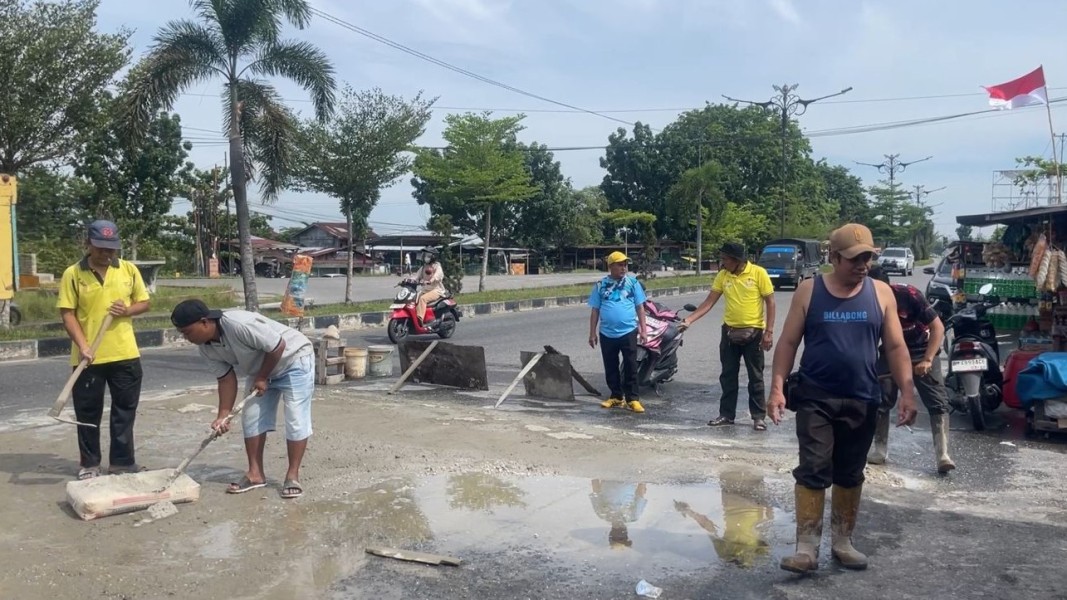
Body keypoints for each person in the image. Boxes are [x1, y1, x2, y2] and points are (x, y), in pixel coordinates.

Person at [767, 223, 918, 573]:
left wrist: (908, 392)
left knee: (850, 472)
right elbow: (788, 342)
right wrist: (776, 388)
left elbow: (896, 347)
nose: (863, 265)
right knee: (813, 467)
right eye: (854, 259)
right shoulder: (809, 290)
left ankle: (843, 542)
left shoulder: (881, 293)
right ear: (833, 257)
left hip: (863, 398)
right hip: (816, 397)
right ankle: (806, 548)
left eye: (867, 258)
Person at [171, 299, 314, 499]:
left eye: (187, 332)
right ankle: (255, 474)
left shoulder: (238, 324)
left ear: (204, 322)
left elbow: (277, 346)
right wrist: (223, 416)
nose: (186, 338)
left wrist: (262, 377)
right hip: (260, 370)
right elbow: (225, 379)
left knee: (296, 418)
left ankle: (292, 476)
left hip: (293, 359)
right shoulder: (206, 348)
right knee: (251, 418)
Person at [57, 220, 151, 480]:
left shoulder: (128, 269)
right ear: (88, 244)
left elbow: (144, 303)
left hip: (125, 354)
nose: (106, 253)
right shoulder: (73, 274)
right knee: (87, 414)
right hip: (88, 358)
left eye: (111, 248)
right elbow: (67, 314)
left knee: (124, 412)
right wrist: (83, 346)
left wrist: (127, 310)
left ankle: (122, 462)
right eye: (100, 248)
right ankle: (90, 464)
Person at [866, 264, 956, 474]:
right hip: (890, 353)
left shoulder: (909, 295)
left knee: (937, 402)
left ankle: (942, 454)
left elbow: (937, 328)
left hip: (922, 349)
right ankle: (879, 449)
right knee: (880, 400)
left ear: (888, 287)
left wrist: (928, 360)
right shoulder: (864, 301)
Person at [681, 242, 775, 431]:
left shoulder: (758, 273)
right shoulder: (723, 276)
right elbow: (709, 302)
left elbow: (770, 302)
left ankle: (758, 417)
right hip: (729, 332)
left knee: (755, 377)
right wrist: (689, 320)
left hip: (754, 333)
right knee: (728, 375)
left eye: (725, 259)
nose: (722, 263)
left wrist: (769, 332)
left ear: (737, 260)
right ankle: (726, 415)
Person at [674, 468, 773, 567]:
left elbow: (768, 522)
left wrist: (768, 504)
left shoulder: (755, 556)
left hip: (746, 501)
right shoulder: (725, 554)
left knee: (746, 468)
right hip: (733, 499)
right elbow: (708, 526)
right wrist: (688, 511)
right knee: (737, 468)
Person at [588, 251, 648, 413]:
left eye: (625, 265)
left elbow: (640, 307)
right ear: (611, 266)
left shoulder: (633, 283)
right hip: (606, 333)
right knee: (610, 366)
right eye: (620, 265)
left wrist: (643, 330)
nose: (623, 268)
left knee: (630, 365)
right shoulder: (600, 285)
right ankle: (616, 396)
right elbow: (595, 310)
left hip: (628, 331)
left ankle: (633, 399)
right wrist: (592, 333)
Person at [589, 480, 648, 549]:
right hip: (614, 478)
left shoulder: (632, 516)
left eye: (616, 537)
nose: (618, 535)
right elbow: (595, 487)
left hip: (624, 479)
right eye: (621, 538)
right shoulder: (602, 514)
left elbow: (640, 492)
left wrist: (643, 481)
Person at [415, 247, 446, 327]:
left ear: (433, 256)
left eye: (428, 255)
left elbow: (438, 275)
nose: (425, 257)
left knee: (423, 299)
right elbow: (416, 276)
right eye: (425, 255)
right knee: (414, 299)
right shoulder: (424, 267)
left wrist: (431, 280)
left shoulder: (437, 266)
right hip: (425, 290)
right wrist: (408, 280)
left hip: (436, 290)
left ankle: (420, 318)